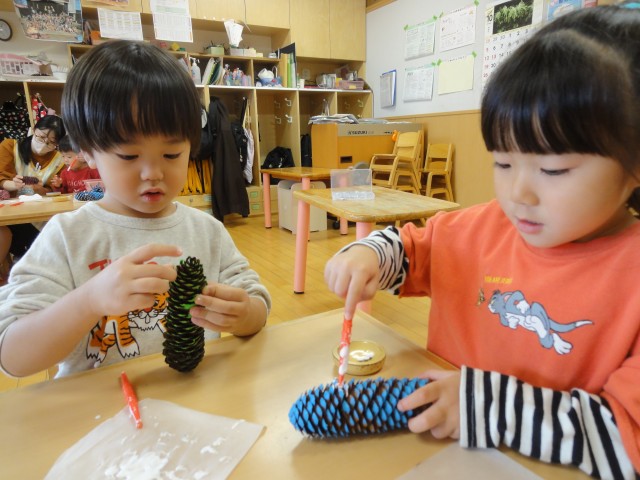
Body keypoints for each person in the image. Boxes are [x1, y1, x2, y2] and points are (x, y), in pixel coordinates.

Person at [324, 6, 639, 479]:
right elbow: (411, 250)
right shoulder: (478, 228)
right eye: (503, 163)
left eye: (553, 170)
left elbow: (624, 439)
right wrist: (369, 253)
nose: (519, 194)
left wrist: (485, 407)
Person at [0, 40, 271, 378]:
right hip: (102, 407)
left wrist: (244, 315)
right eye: (129, 156)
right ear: (88, 151)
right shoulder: (67, 237)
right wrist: (89, 300)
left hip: (194, 399)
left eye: (172, 154)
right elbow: (13, 356)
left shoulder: (207, 231)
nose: (153, 173)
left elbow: (256, 305)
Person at [0, 115, 66, 284]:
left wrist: (41, 189)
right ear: (34, 130)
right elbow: (2, 178)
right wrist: (13, 184)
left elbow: (53, 190)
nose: (44, 144)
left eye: (51, 142)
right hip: (12, 212)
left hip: (39, 214)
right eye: (41, 137)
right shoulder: (10, 146)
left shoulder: (59, 159)